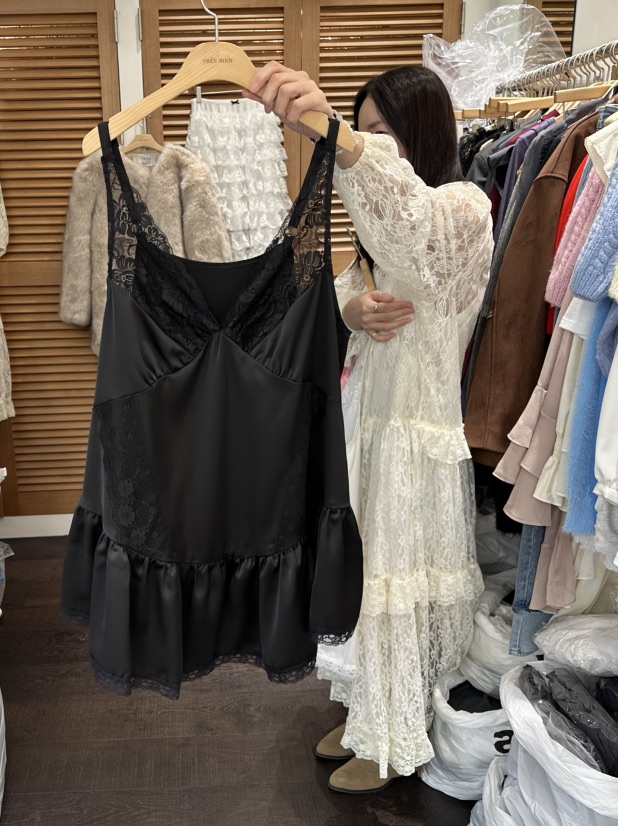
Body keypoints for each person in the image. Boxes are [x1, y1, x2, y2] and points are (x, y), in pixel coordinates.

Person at [244, 63, 493, 792]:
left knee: (394, 589)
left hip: (416, 436)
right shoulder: (377, 229)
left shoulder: (464, 206)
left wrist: (341, 138)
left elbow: (416, 233)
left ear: (422, 131)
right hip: (368, 428)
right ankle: (365, 712)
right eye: (365, 131)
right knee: (360, 583)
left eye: (385, 132)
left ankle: (393, 737)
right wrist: (349, 311)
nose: (371, 145)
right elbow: (344, 295)